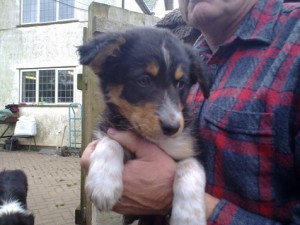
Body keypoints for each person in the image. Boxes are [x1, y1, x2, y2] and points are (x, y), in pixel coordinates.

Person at [81, 0, 300, 224]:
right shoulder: (191, 53)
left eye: (179, 85)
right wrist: (109, 150)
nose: (172, 118)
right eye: (144, 80)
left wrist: (172, 197)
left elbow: (188, 160)